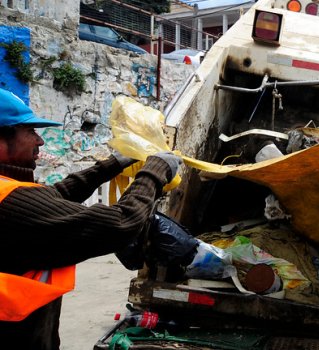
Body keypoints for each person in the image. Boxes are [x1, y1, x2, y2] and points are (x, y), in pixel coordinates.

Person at [0, 88, 183, 349]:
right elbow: (120, 223)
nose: (39, 141)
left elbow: (53, 196)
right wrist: (154, 171)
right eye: (30, 132)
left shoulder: (7, 193)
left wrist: (111, 165)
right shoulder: (12, 203)